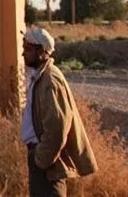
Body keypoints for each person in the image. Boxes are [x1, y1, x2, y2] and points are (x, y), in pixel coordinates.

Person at [21, 27, 97, 196]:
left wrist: (41, 159)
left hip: (48, 163)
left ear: (42, 51)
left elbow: (57, 129)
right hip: (42, 157)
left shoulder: (50, 80)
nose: (23, 54)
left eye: (28, 49)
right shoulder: (41, 76)